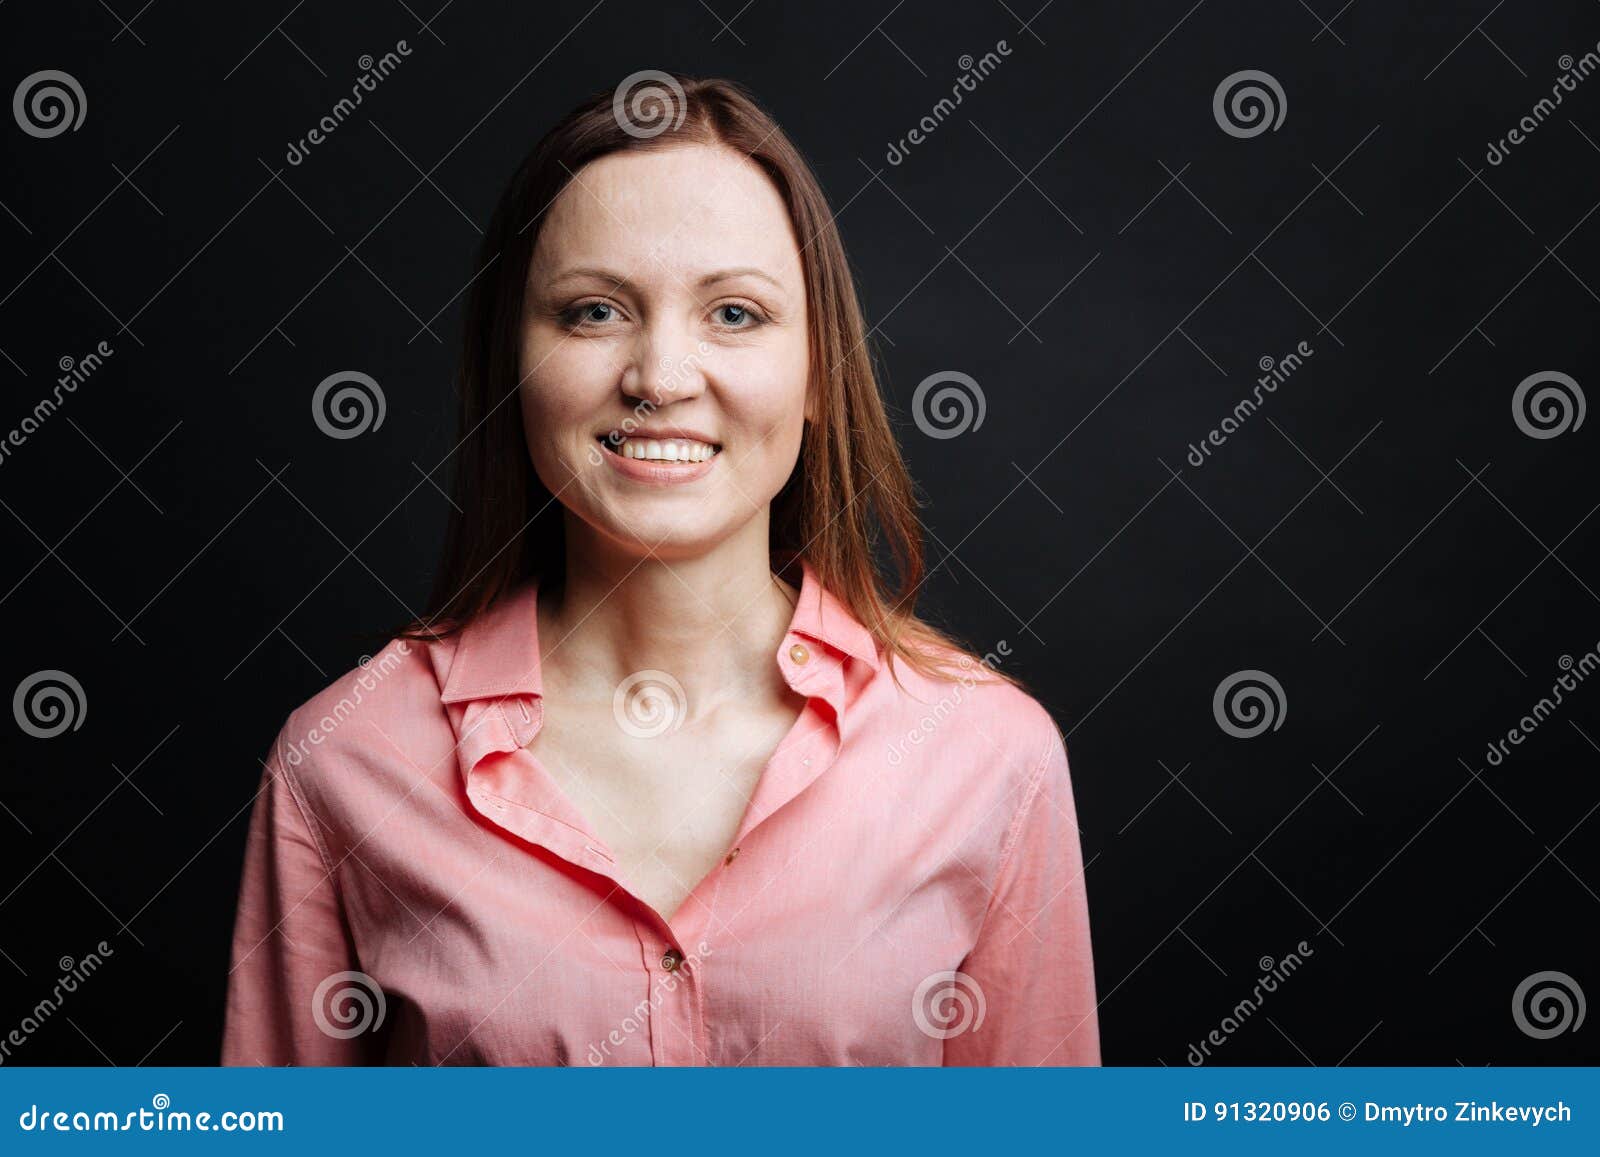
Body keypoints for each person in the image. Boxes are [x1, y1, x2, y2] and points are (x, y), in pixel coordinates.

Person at [222, 73, 1100, 1066]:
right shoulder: (344, 757)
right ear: (514, 362)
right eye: (594, 311)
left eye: (734, 313)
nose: (661, 377)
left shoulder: (987, 756)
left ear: (819, 373)